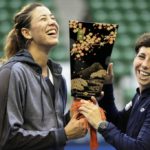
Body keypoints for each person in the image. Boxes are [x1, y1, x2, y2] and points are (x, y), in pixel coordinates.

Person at [0, 3, 87, 150]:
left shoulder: (59, 76)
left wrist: (70, 117)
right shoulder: (13, 72)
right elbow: (7, 139)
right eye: (43, 19)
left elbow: (50, 129)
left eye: (53, 18)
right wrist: (64, 134)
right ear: (27, 33)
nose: (52, 22)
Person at [79, 33, 150, 150]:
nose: (145, 65)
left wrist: (101, 124)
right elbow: (118, 123)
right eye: (141, 57)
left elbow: (140, 147)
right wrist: (106, 86)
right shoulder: (140, 96)